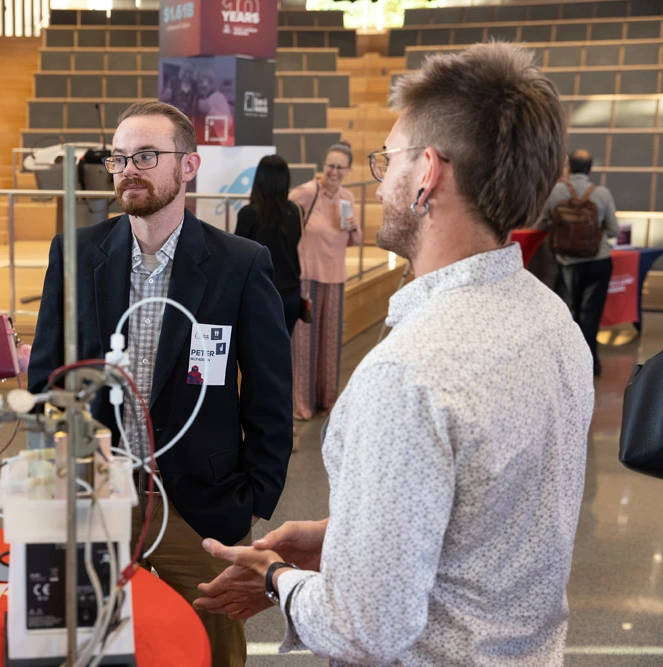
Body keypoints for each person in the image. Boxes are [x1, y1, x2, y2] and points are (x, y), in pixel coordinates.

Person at [193, 42, 593, 666]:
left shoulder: (406, 375)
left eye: (389, 161)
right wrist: (344, 537)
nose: (380, 181)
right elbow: (490, 523)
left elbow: (365, 627)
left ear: (427, 173)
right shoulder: (553, 322)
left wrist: (277, 577)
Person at [28, 101, 292, 667]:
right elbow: (47, 378)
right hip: (96, 495)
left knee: (211, 649)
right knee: (93, 646)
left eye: (146, 155)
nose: (128, 168)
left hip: (198, 506)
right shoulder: (75, 253)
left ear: (188, 166)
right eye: (119, 157)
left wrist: (253, 499)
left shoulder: (239, 264)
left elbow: (270, 394)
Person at [288, 141, 361, 421]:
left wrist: (354, 228)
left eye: (340, 167)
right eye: (330, 165)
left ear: (348, 170)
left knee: (330, 343)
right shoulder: (307, 193)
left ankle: (327, 401)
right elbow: (282, 220)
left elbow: (353, 241)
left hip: (335, 277)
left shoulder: (347, 198)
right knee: (304, 345)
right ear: (324, 166)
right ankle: (300, 404)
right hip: (307, 278)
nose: (334, 171)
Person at [535, 149, 618, 376]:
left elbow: (541, 224)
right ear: (590, 169)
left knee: (569, 313)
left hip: (568, 263)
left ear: (567, 168)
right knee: (591, 315)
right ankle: (591, 364)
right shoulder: (602, 193)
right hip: (598, 261)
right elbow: (613, 229)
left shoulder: (556, 192)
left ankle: (568, 364)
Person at [235, 155, 302, 336]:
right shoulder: (295, 212)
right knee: (282, 351)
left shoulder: (249, 214)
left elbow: (238, 255)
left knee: (258, 354)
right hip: (291, 292)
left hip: (259, 293)